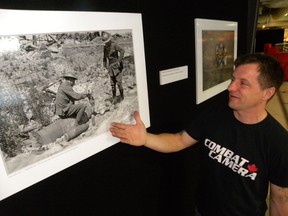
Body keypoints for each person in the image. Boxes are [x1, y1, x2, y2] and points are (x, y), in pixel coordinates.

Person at [110, 53, 288, 216]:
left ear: (268, 93)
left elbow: (279, 198)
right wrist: (145, 138)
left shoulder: (279, 142)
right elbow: (179, 140)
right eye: (233, 79)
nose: (231, 87)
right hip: (202, 210)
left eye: (243, 83)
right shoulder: (215, 114)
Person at [102, 31, 125, 103]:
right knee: (112, 85)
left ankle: (122, 96)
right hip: (110, 68)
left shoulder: (114, 45)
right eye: (105, 42)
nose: (106, 43)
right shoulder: (105, 48)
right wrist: (104, 66)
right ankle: (114, 97)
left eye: (107, 41)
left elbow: (122, 50)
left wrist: (119, 61)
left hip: (117, 67)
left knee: (119, 84)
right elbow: (104, 58)